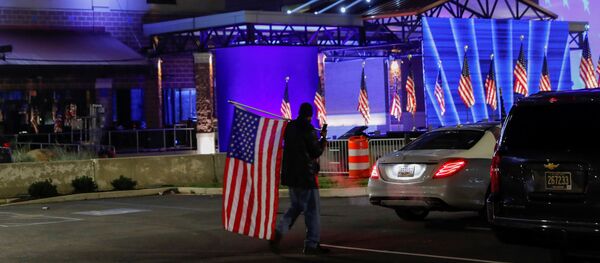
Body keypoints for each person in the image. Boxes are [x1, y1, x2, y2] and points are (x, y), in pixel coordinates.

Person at [269, 102, 330, 255]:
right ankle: (312, 244)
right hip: (305, 176)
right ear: (310, 115)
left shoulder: (290, 127)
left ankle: (279, 232)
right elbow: (315, 152)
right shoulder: (308, 129)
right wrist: (323, 140)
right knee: (312, 210)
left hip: (291, 176)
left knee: (295, 207)